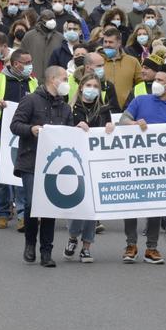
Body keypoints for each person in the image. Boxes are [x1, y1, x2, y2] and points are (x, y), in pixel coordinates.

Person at [118, 64, 166, 264]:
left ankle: (152, 248)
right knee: (131, 204)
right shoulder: (141, 101)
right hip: (134, 162)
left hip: (157, 167)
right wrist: (134, 125)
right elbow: (123, 120)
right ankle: (131, 244)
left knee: (154, 206)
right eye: (156, 79)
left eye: (161, 81)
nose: (156, 83)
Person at [9, 66, 75, 268]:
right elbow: (15, 125)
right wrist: (31, 129)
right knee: (31, 205)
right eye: (64, 78)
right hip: (31, 160)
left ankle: (46, 251)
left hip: (53, 165)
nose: (67, 81)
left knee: (49, 207)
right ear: (53, 79)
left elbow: (69, 133)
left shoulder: (64, 107)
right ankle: (30, 243)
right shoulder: (31, 100)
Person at [0, 48, 37, 229]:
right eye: (26, 63)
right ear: (16, 63)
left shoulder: (33, 83)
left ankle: (22, 215)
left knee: (21, 178)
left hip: (24, 137)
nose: (29, 66)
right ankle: (2, 213)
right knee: (2, 178)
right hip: (1, 137)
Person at [66, 72, 111, 263]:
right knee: (78, 204)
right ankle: (73, 236)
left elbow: (109, 130)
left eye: (96, 86)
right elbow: (63, 131)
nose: (92, 89)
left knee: (93, 207)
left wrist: (110, 127)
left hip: (97, 162)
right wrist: (75, 127)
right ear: (81, 87)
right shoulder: (70, 109)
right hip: (77, 163)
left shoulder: (103, 109)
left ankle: (86, 246)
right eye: (89, 85)